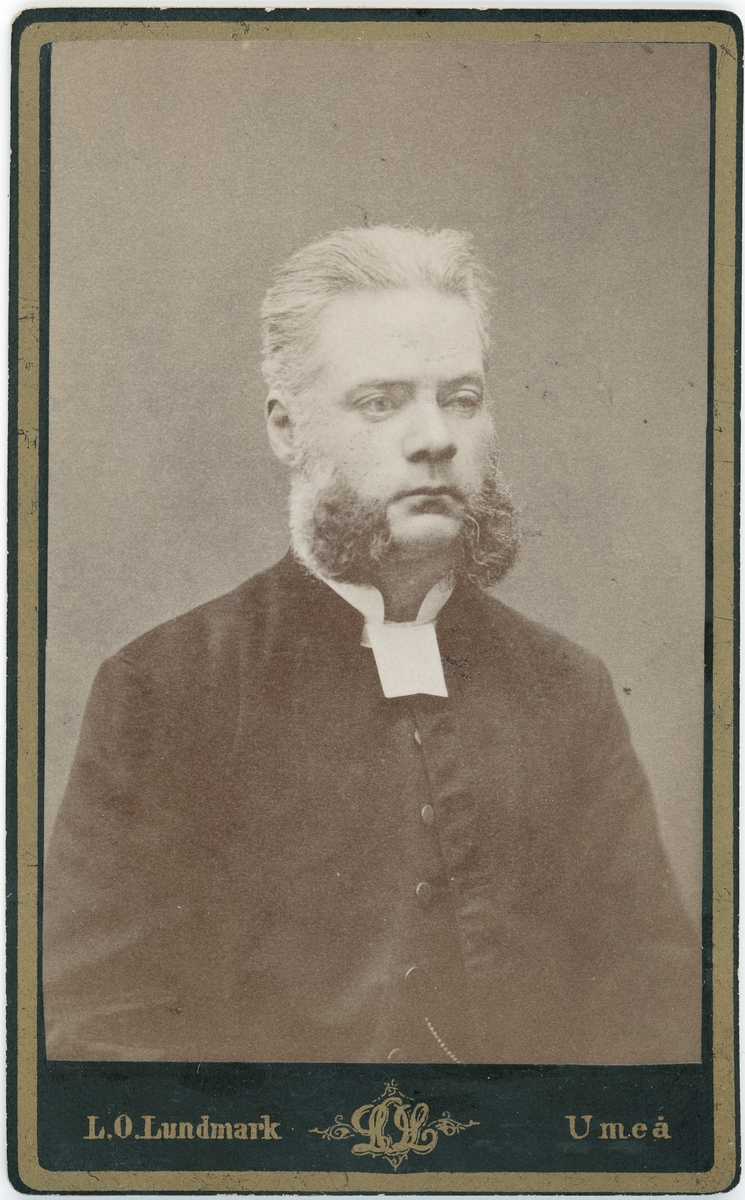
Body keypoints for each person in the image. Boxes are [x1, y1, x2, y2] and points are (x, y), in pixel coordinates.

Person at [43, 225, 700, 1064]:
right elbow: (101, 1025)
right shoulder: (169, 687)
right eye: (381, 402)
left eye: (460, 398)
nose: (435, 438)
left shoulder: (565, 688)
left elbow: (652, 1005)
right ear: (287, 429)